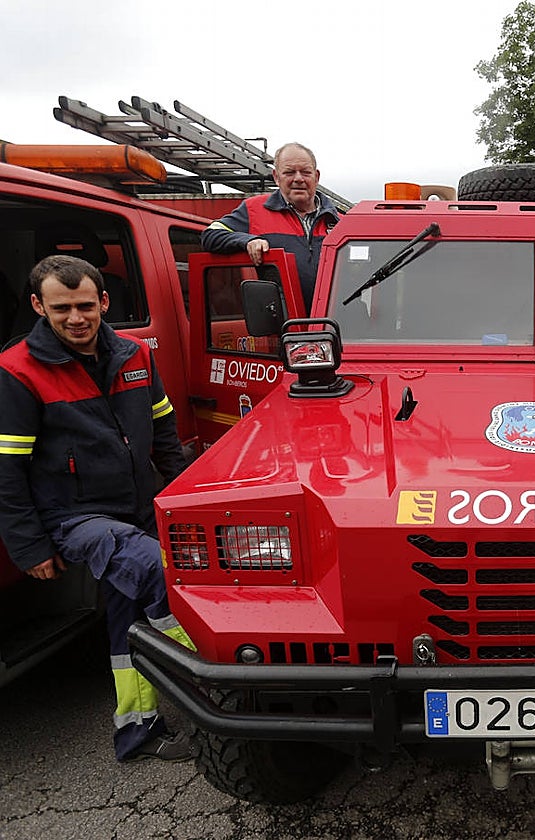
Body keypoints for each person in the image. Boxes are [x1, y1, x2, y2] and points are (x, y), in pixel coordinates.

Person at [0, 255, 196, 762]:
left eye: (85, 305)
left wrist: (183, 494)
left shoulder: (133, 355)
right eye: (61, 308)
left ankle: (136, 729)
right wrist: (29, 545)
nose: (76, 318)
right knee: (158, 572)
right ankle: (219, 687)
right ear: (39, 306)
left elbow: (165, 431)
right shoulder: (17, 371)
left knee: (127, 615)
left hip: (137, 502)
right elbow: (8, 471)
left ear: (103, 302)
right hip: (74, 517)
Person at [201, 142, 340, 311]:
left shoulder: (340, 222)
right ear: (276, 177)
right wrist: (247, 241)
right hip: (284, 328)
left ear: (316, 177)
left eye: (305, 172)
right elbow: (210, 235)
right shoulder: (254, 210)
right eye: (289, 172)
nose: (298, 178)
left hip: (334, 326)